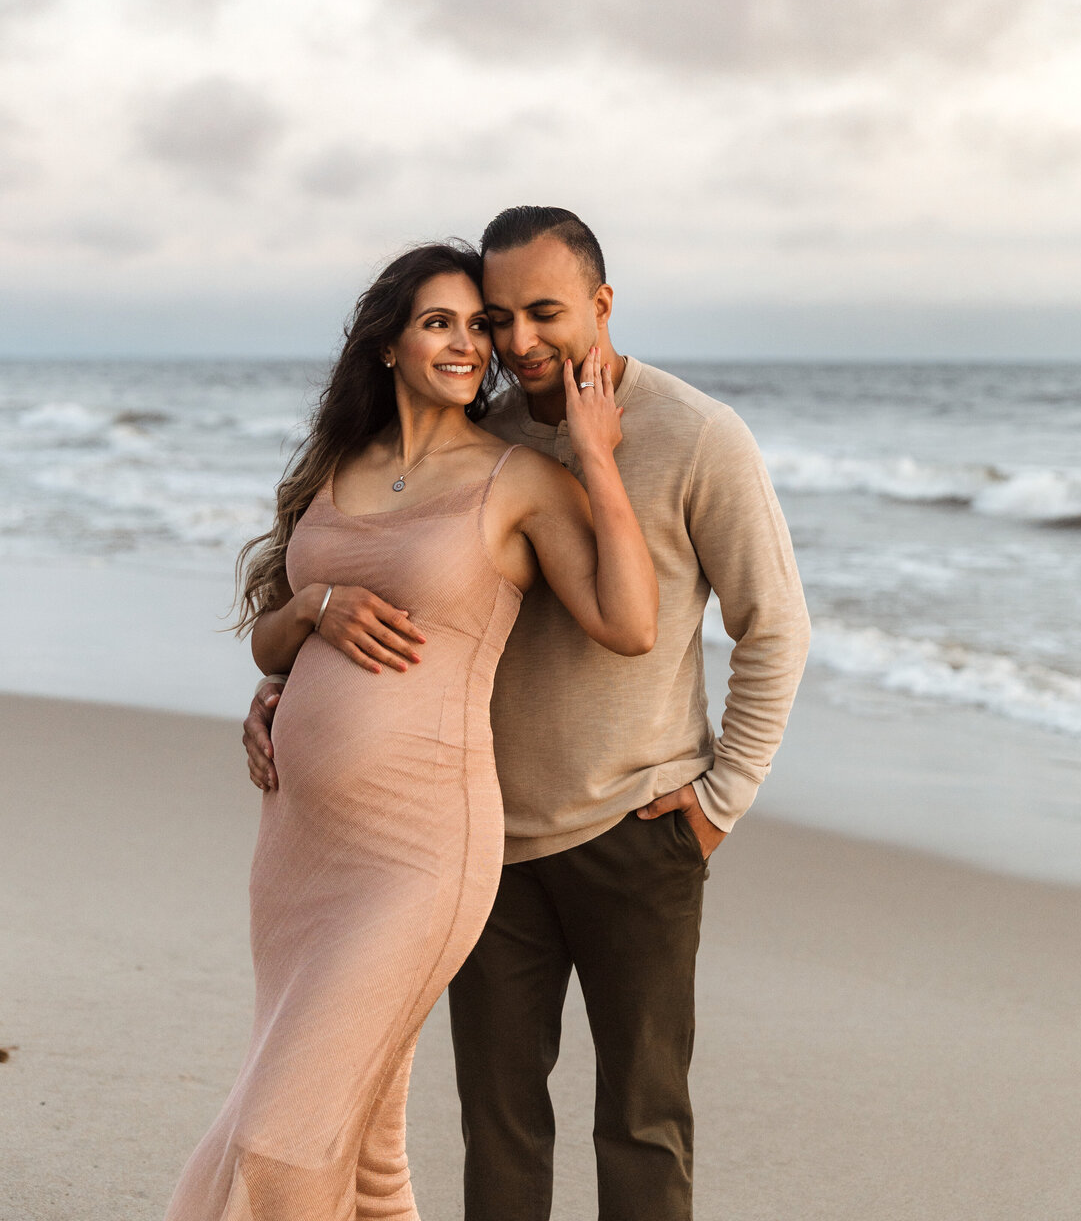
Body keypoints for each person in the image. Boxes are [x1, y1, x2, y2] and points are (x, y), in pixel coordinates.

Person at [245, 206, 811, 1221]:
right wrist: (290, 687)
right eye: (497, 318)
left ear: (601, 303)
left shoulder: (698, 436)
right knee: (497, 1127)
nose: (514, 343)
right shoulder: (485, 426)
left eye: (543, 314)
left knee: (640, 1124)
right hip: (482, 837)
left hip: (636, 827)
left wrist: (721, 798)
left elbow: (774, 629)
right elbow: (424, 602)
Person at [166, 240, 657, 1221]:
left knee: (284, 1128)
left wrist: (596, 461)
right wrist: (316, 610)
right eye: (443, 322)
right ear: (388, 343)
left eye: (481, 326)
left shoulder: (514, 479)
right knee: (367, 1148)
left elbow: (628, 622)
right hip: (299, 851)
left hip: (419, 852)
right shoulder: (338, 468)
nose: (470, 343)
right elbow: (272, 642)